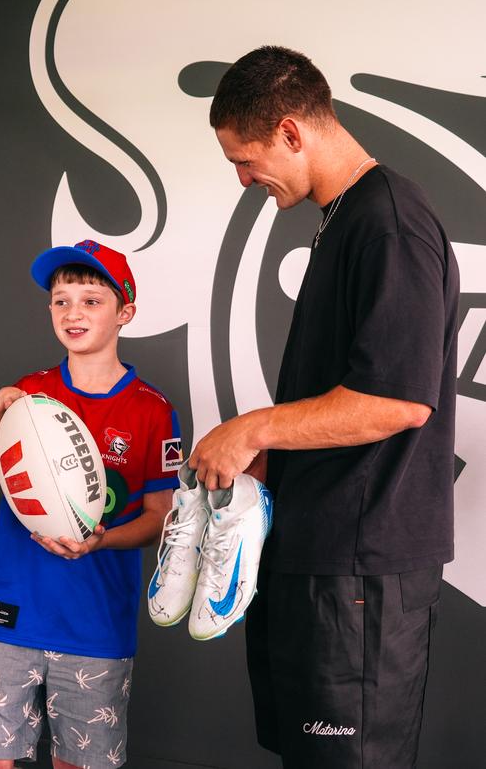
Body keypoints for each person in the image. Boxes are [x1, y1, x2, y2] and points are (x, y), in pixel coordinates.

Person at [189, 46, 459, 769]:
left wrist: (250, 429)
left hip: (360, 572)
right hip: (320, 561)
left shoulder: (388, 222)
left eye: (245, 161)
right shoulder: (343, 219)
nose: (246, 180)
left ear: (290, 131)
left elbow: (399, 401)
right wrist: (265, 461)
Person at [0, 239, 181, 769]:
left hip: (94, 622)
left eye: (91, 300)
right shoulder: (28, 395)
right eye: (61, 301)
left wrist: (101, 539)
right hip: (13, 612)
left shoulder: (153, 411)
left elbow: (159, 518)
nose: (73, 312)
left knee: (80, 765)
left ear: (124, 312)